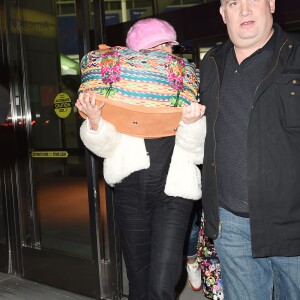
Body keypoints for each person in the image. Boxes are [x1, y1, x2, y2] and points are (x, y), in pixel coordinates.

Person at [75, 18, 206, 300]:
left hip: (175, 195)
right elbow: (105, 148)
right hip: (130, 192)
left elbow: (196, 152)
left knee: (162, 283)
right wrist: (95, 121)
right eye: (158, 45)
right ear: (137, 53)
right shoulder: (120, 93)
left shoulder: (181, 88)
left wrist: (193, 122)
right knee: (138, 281)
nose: (167, 51)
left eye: (169, 45)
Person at [200, 0, 300, 299]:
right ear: (223, 13)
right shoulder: (210, 63)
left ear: (270, 4)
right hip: (230, 222)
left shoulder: (297, 56)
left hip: (293, 222)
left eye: (252, 0)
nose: (244, 10)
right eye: (233, 3)